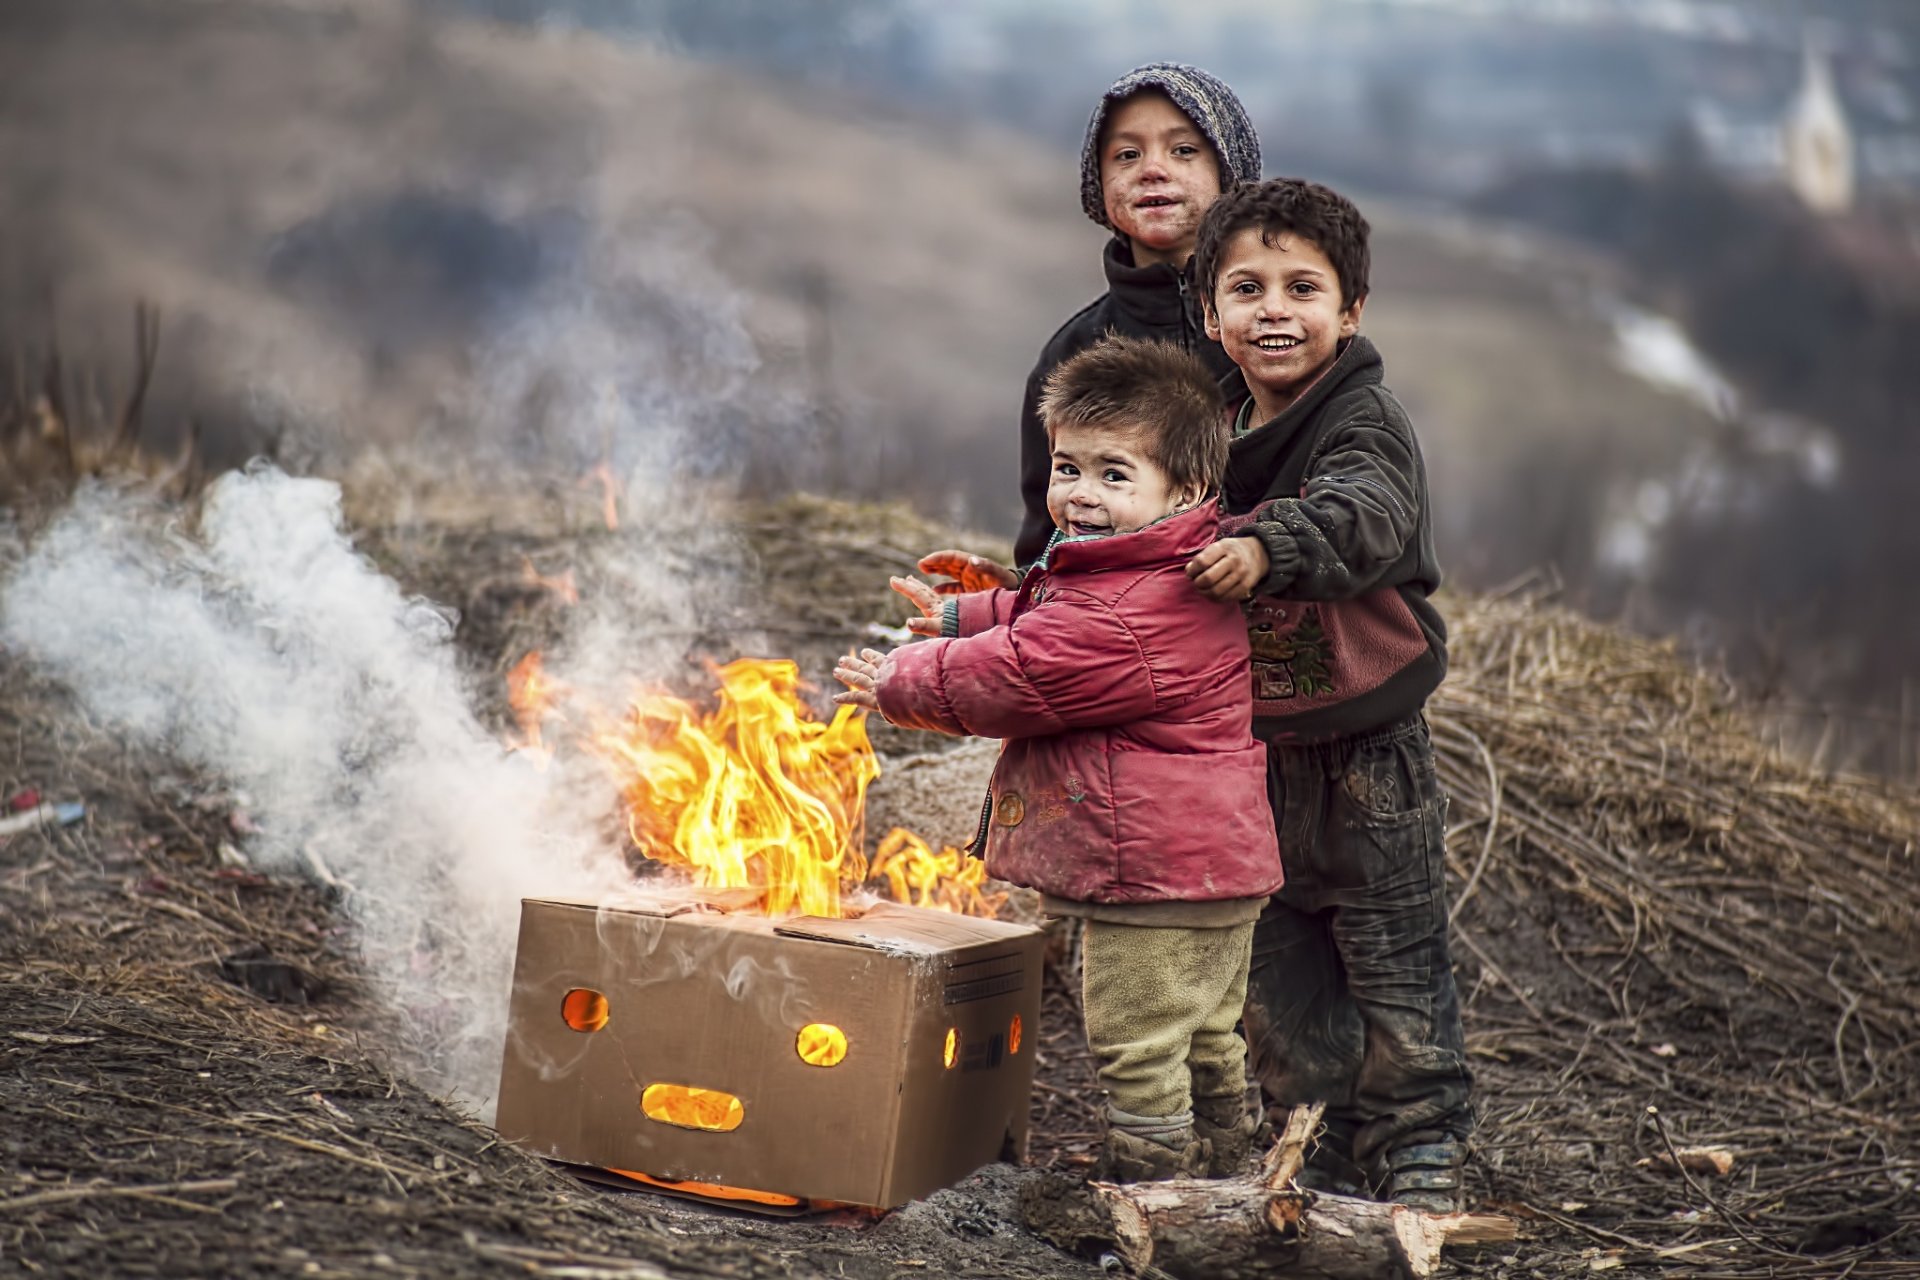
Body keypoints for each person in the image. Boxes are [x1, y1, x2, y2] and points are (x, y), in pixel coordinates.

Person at [833, 336, 1282, 1183]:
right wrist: (968, 616)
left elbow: (1027, 672)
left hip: (1153, 873)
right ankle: (1230, 1173)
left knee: (1137, 1042)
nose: (1080, 494)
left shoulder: (1138, 608)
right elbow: (1044, 616)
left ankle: (1154, 1193)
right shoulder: (1149, 572)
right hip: (1209, 863)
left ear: (1185, 489)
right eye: (1068, 467)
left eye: (1115, 475)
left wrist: (900, 681)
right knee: (1205, 1031)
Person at [1183, 178, 1475, 1213]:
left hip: (1367, 750)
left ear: (1350, 310)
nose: (1274, 309)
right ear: (1209, 312)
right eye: (1247, 287)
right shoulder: (1202, 428)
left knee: (1394, 958)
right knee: (1280, 975)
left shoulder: (1364, 420)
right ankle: (1317, 1143)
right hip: (1250, 752)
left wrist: (1269, 544)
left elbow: (1366, 516)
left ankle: (1422, 1145)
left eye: (1302, 287)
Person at [920, 63, 1260, 595]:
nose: (1152, 169)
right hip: (1127, 633)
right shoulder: (1075, 352)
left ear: (1231, 172)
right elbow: (1053, 537)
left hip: (1284, 624)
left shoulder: (1279, 328)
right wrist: (1017, 590)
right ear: (1098, 188)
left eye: (1183, 150)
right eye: (1127, 154)